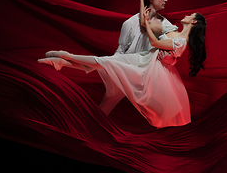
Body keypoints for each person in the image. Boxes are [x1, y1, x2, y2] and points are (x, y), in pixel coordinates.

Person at [38, 8, 207, 128]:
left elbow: (155, 43)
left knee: (105, 63)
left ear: (193, 21)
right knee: (108, 98)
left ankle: (65, 56)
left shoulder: (180, 41)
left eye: (190, 15)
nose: (186, 14)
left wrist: (147, 24)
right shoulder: (176, 33)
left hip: (144, 70)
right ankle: (88, 128)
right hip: (142, 62)